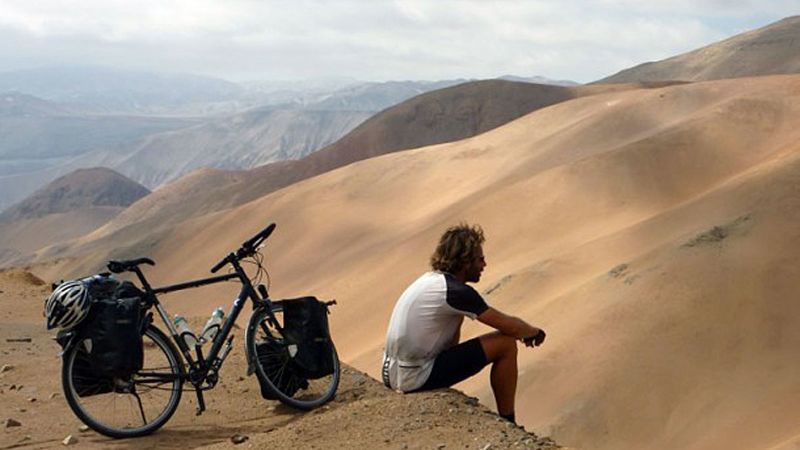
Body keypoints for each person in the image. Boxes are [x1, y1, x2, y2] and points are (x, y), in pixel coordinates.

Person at [381, 223, 546, 424]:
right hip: (412, 377)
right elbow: (508, 326)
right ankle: (509, 421)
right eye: (480, 259)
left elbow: (450, 342)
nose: (484, 264)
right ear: (465, 261)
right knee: (506, 344)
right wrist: (534, 332)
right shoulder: (456, 292)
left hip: (390, 373)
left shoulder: (430, 281)